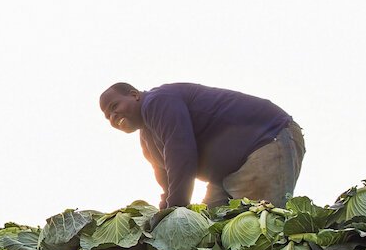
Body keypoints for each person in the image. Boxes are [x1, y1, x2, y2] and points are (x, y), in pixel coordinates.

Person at [99, 81, 306, 209]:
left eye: (114, 106)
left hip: (265, 141)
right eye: (108, 116)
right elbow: (168, 182)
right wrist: (164, 213)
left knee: (264, 229)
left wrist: (176, 209)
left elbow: (180, 152)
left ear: (134, 95)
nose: (113, 116)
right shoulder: (147, 140)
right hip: (225, 175)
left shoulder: (158, 102)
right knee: (213, 232)